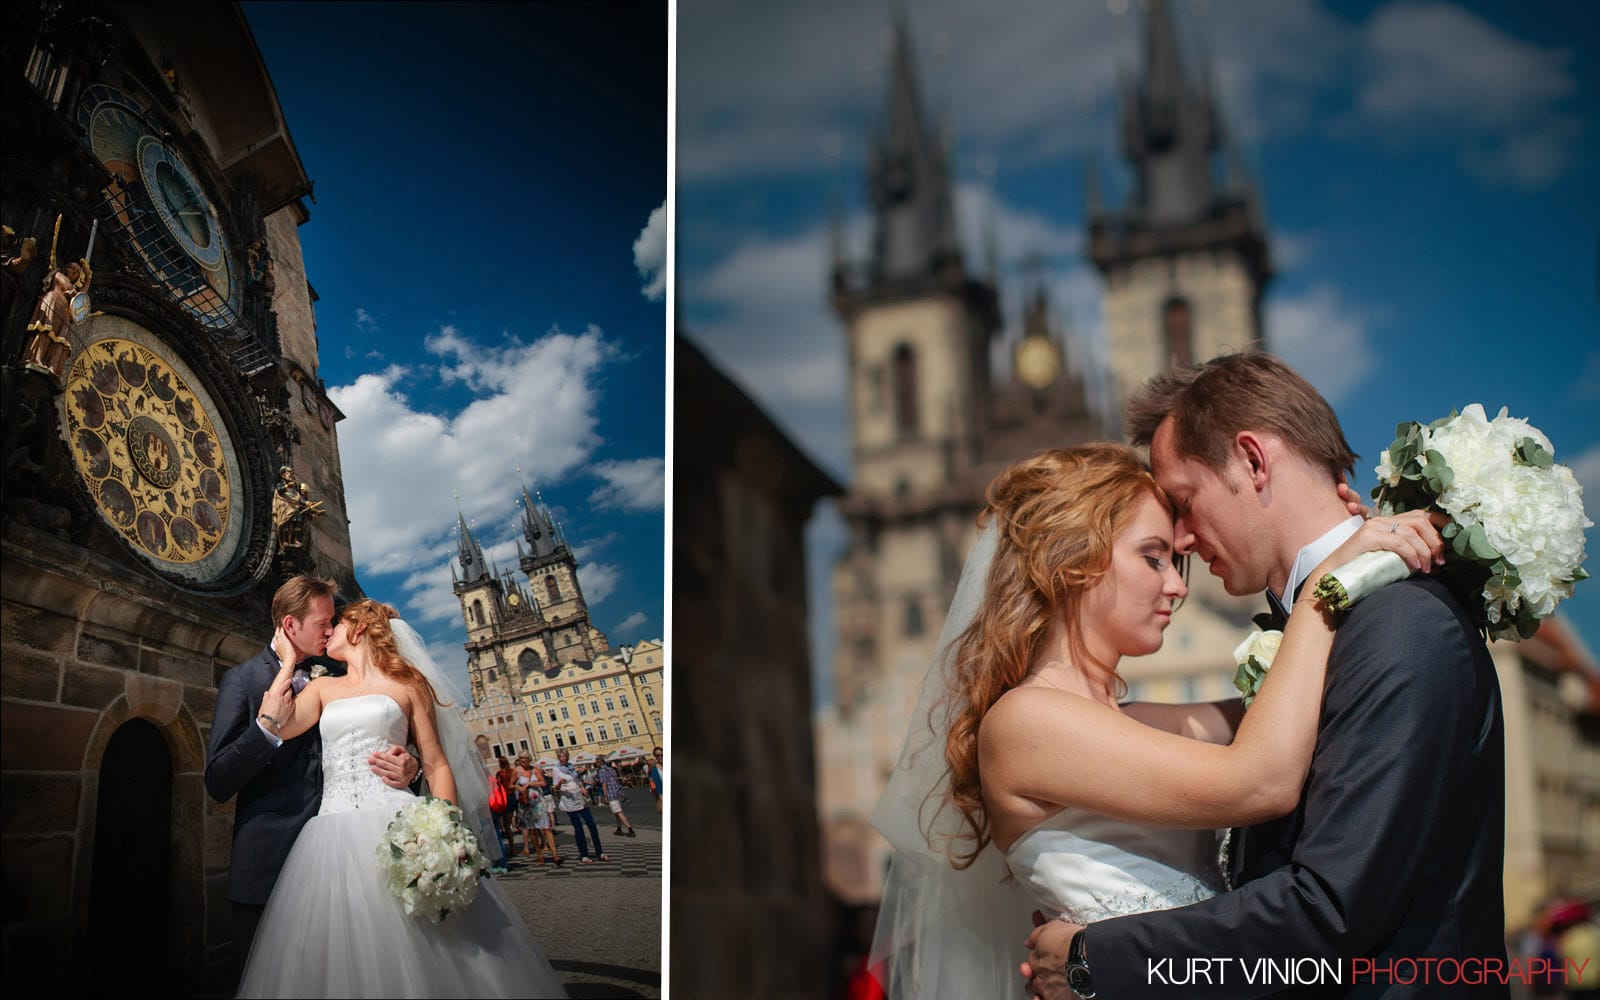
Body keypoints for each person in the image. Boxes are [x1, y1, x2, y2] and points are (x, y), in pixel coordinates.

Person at [871, 439, 1445, 998]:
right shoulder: (1025, 723)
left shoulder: (1133, 721)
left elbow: (1304, 711)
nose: (1176, 585)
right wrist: (1327, 587)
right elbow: (1260, 780)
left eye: (1176, 562)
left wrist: (1358, 548)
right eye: (1152, 557)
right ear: (1070, 561)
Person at [1019, 353, 1506, 999]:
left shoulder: (1400, 624)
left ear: (1252, 461)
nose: (1184, 546)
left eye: (1185, 504)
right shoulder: (1336, 627)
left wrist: (1095, 962)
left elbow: (1330, 909)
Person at [235, 599, 566, 997]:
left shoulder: (408, 685)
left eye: (336, 624)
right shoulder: (323, 687)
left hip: (396, 822)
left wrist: (445, 832)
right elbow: (279, 726)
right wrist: (287, 663)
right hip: (332, 831)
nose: (329, 632)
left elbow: (437, 764)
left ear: (358, 629)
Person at [205, 576, 418, 976]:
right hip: (269, 866)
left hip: (348, 861)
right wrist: (266, 730)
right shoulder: (244, 680)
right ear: (290, 626)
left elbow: (387, 736)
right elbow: (217, 781)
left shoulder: (342, 669)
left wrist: (412, 764)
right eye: (323, 622)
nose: (330, 628)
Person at [551, 748, 608, 864]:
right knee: (578, 827)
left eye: (565, 756)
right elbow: (554, 789)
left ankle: (599, 851)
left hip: (580, 798)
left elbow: (577, 780)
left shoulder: (571, 767)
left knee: (591, 824)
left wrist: (582, 788)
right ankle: (584, 854)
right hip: (569, 800)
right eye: (561, 757)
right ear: (558, 758)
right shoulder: (556, 770)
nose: (564, 758)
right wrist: (559, 783)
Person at [596, 758, 636, 837]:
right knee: (616, 812)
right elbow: (616, 780)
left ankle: (630, 829)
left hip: (611, 793)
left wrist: (605, 795)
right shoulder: (611, 769)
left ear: (599, 763)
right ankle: (619, 828)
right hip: (617, 792)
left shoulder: (602, 771)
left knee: (619, 812)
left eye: (596, 762)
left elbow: (604, 784)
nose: (595, 764)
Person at [647, 746, 664, 814]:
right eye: (657, 755)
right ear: (655, 756)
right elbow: (653, 782)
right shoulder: (654, 769)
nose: (660, 757)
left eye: (662, 755)